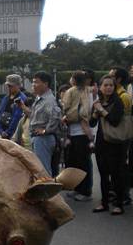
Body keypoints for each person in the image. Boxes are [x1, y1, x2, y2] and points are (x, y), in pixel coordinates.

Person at [90, 75, 126, 215]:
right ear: (100, 87)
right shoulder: (98, 102)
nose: (108, 87)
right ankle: (104, 203)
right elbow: (92, 123)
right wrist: (95, 112)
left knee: (116, 174)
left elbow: (115, 121)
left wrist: (101, 110)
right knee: (103, 174)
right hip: (101, 142)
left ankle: (119, 204)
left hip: (115, 143)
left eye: (111, 85)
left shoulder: (118, 102)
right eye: (105, 85)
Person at [19, 71, 62, 175]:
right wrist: (23, 108)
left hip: (43, 139)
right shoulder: (40, 98)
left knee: (43, 170)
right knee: (40, 169)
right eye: (33, 82)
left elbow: (55, 116)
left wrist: (45, 131)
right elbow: (36, 117)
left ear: (45, 84)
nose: (33, 85)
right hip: (38, 138)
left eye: (36, 82)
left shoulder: (48, 100)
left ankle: (48, 190)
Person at [62, 71, 94, 202]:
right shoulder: (90, 91)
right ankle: (80, 189)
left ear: (74, 80)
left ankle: (84, 191)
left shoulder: (71, 91)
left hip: (76, 132)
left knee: (79, 163)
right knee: (82, 162)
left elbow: (65, 107)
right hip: (85, 131)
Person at [108, 67, 132, 205]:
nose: (108, 78)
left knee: (121, 166)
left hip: (121, 136)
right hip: (113, 136)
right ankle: (116, 192)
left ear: (119, 79)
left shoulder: (123, 96)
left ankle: (124, 195)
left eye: (111, 76)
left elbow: (119, 118)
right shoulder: (115, 94)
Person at [0, 74, 26, 140]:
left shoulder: (22, 98)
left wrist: (8, 132)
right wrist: (0, 130)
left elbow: (17, 117)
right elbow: (0, 114)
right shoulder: (5, 98)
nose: (9, 88)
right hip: (3, 132)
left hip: (14, 134)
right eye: (8, 86)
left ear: (18, 85)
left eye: (11, 86)